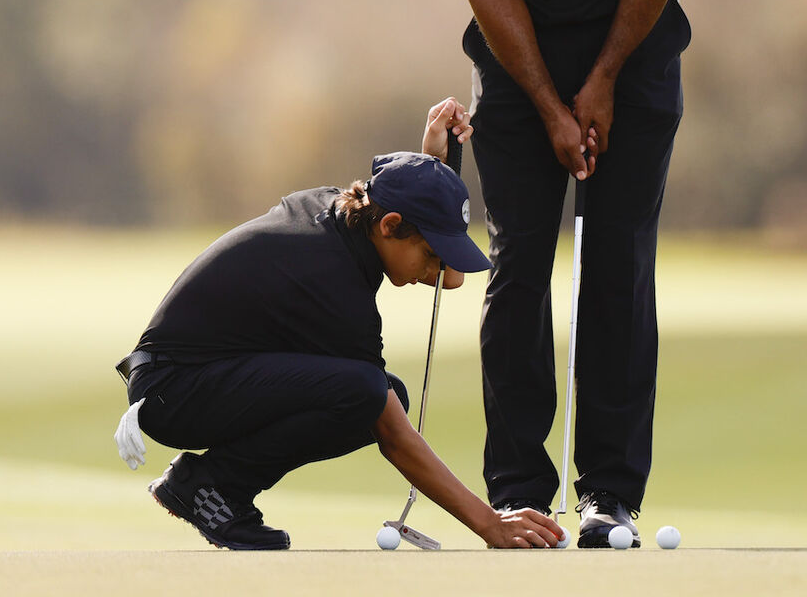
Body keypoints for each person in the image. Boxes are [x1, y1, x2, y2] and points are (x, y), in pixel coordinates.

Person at [415, 0, 703, 547]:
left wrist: (606, 76)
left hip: (637, 51)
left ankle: (610, 495)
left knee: (618, 260)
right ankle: (516, 492)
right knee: (520, 259)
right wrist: (546, 100)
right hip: (517, 62)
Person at [111, 98, 565, 550]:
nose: (435, 271)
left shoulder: (347, 213)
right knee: (370, 395)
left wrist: (434, 167)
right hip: (174, 389)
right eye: (429, 253)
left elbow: (450, 277)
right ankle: (212, 487)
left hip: (200, 374)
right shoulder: (333, 285)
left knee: (386, 394)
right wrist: (489, 523)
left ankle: (214, 485)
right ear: (389, 225)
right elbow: (392, 433)